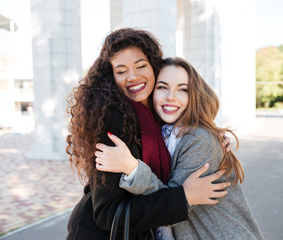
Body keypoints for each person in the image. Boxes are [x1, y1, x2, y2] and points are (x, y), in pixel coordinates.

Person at [66, 28, 231, 240]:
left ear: (154, 67)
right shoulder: (113, 120)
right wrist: (183, 197)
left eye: (140, 66)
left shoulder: (156, 115)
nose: (133, 76)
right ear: (110, 77)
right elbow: (107, 212)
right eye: (121, 70)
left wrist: (212, 136)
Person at [95, 57, 264, 239]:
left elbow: (171, 210)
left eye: (182, 89)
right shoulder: (161, 135)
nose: (171, 97)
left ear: (194, 96)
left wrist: (132, 168)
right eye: (162, 87)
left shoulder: (199, 140)